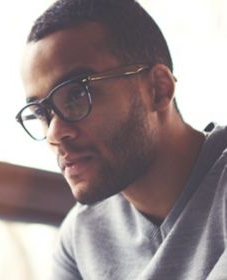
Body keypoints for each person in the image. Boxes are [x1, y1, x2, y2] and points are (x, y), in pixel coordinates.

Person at [15, 0, 227, 278]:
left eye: (77, 95)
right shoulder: (80, 239)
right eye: (41, 113)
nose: (54, 133)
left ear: (158, 89)